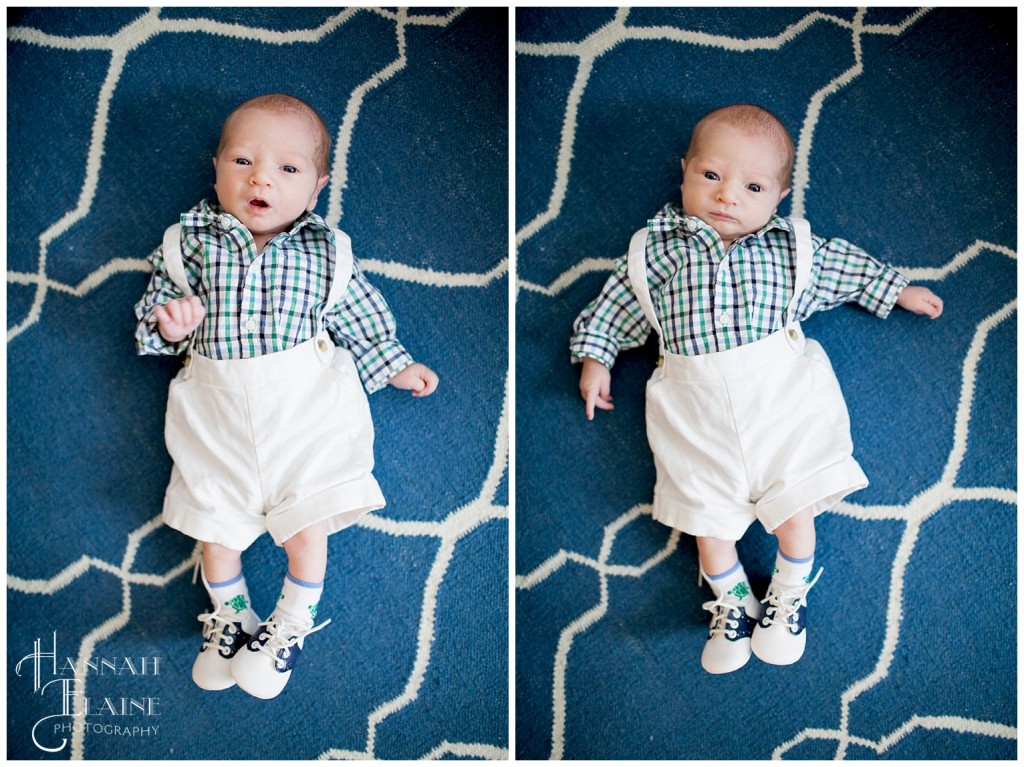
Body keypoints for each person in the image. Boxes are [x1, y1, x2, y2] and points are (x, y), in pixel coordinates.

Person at [570, 104, 941, 674]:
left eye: (752, 185)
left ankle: (788, 594)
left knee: (794, 511)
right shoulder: (653, 251)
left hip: (779, 404)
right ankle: (734, 604)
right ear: (685, 172)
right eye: (711, 176)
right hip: (693, 413)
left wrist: (896, 289)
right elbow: (616, 306)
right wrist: (597, 357)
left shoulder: (790, 249)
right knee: (707, 524)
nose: (727, 197)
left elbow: (847, 267)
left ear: (779, 195)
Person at [134, 94, 439, 699]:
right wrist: (169, 324)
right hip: (214, 413)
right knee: (214, 532)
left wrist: (395, 364)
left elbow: (361, 316)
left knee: (307, 531)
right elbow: (153, 314)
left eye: (287, 169)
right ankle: (233, 619)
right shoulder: (188, 244)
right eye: (243, 160)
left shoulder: (326, 252)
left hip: (302, 413)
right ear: (217, 167)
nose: (261, 178)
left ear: (318, 187)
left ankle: (290, 624)